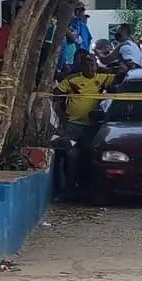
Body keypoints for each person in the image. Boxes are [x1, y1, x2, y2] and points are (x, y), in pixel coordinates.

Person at [53, 53, 114, 198]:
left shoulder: (103, 78)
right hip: (72, 126)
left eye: (92, 64)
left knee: (91, 156)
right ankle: (68, 189)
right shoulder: (72, 80)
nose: (90, 67)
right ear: (81, 66)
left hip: (92, 127)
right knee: (70, 155)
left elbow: (120, 78)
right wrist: (61, 115)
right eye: (86, 64)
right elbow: (55, 96)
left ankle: (89, 189)